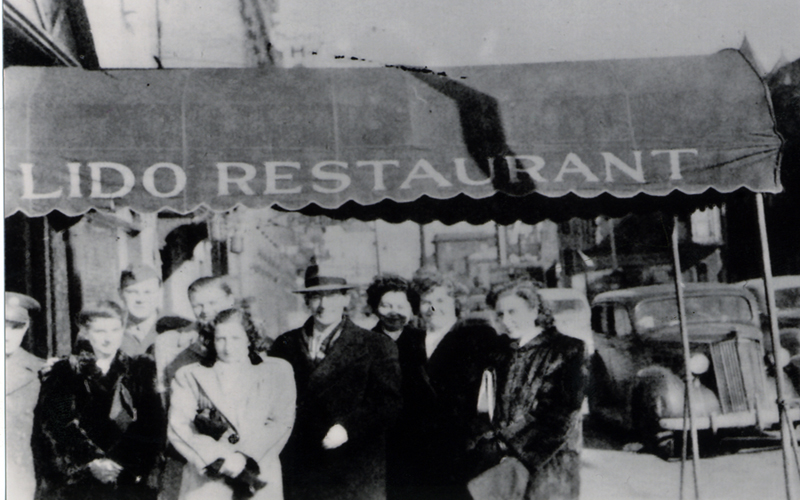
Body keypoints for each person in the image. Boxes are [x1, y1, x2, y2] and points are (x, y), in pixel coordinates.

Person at [268, 265, 402, 500]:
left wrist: (347, 427)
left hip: (355, 471)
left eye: (331, 296)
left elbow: (387, 403)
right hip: (302, 469)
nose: (323, 304)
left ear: (345, 299)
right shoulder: (284, 344)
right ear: (307, 301)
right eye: (316, 296)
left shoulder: (376, 345)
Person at [388, 270, 506, 500]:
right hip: (415, 451)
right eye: (426, 302)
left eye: (441, 300)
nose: (433, 308)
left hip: (461, 450)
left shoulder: (478, 337)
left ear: (456, 302)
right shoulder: (405, 342)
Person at [31, 301, 165, 500]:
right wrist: (91, 461)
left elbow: (153, 425)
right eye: (100, 331)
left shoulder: (141, 370)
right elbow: (54, 425)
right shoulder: (64, 371)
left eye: (114, 330)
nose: (108, 338)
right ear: (86, 332)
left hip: (125, 481)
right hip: (79, 485)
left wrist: (120, 463)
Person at [470, 280, 586, 500]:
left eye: (513, 311)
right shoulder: (500, 352)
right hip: (503, 466)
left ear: (534, 310)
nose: (506, 320)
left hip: (549, 464)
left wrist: (506, 443)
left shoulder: (567, 349)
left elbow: (561, 412)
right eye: (500, 314)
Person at [168, 308, 296, 500]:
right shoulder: (190, 376)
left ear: (249, 338)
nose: (228, 347)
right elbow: (180, 426)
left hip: (257, 476)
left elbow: (281, 422)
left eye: (235, 338)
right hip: (209, 479)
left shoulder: (277, 372)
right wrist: (218, 458)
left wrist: (244, 457)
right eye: (221, 339)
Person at [155, 275, 237, 500]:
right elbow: (164, 403)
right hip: (187, 452)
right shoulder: (171, 344)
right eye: (198, 305)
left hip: (238, 452)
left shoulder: (253, 340)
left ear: (230, 299)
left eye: (213, 303)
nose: (205, 311)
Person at [6, 292, 45, 500]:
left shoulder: (40, 372)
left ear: (27, 327)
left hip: (18, 484)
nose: (6, 335)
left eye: (16, 326)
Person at [119, 264, 163, 357]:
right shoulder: (110, 331)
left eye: (148, 292)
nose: (140, 299)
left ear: (160, 293)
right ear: (120, 294)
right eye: (132, 292)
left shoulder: (179, 328)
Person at [366, 274, 418, 342]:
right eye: (386, 306)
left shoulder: (421, 338)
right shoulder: (367, 340)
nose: (394, 312)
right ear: (376, 308)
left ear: (411, 309)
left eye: (400, 307)